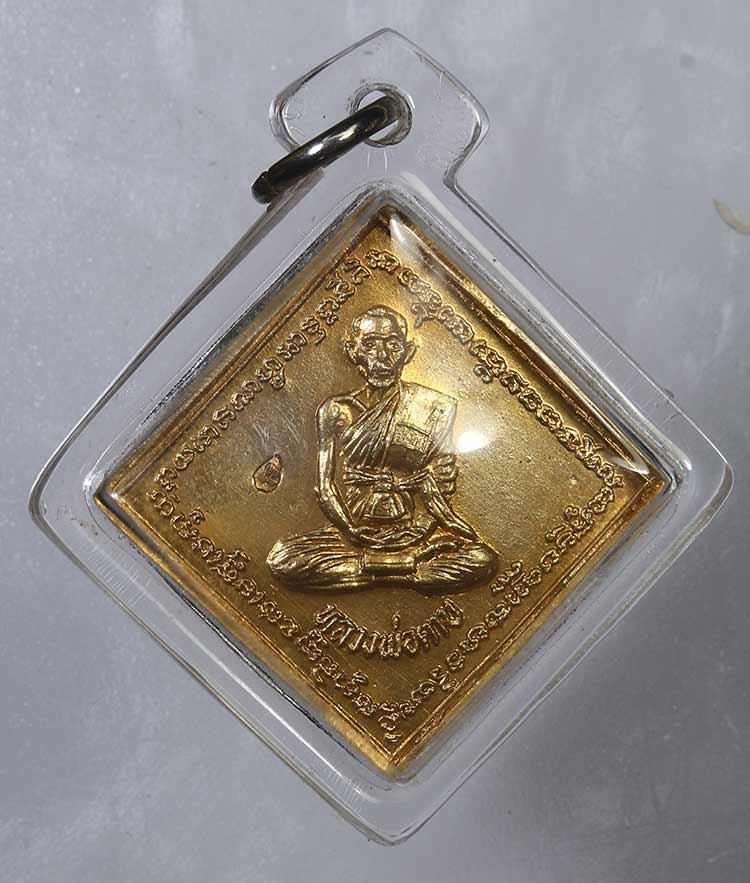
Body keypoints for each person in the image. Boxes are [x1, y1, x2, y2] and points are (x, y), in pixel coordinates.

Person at [266, 305, 496, 592]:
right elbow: (325, 487)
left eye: (393, 345)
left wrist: (421, 530)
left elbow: (440, 484)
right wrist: (351, 530)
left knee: (482, 559)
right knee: (283, 558)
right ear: (353, 351)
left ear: (408, 352)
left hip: (414, 533)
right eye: (371, 345)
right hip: (354, 531)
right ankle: (405, 570)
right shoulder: (335, 410)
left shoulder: (434, 407)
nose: (382, 357)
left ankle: (373, 568)